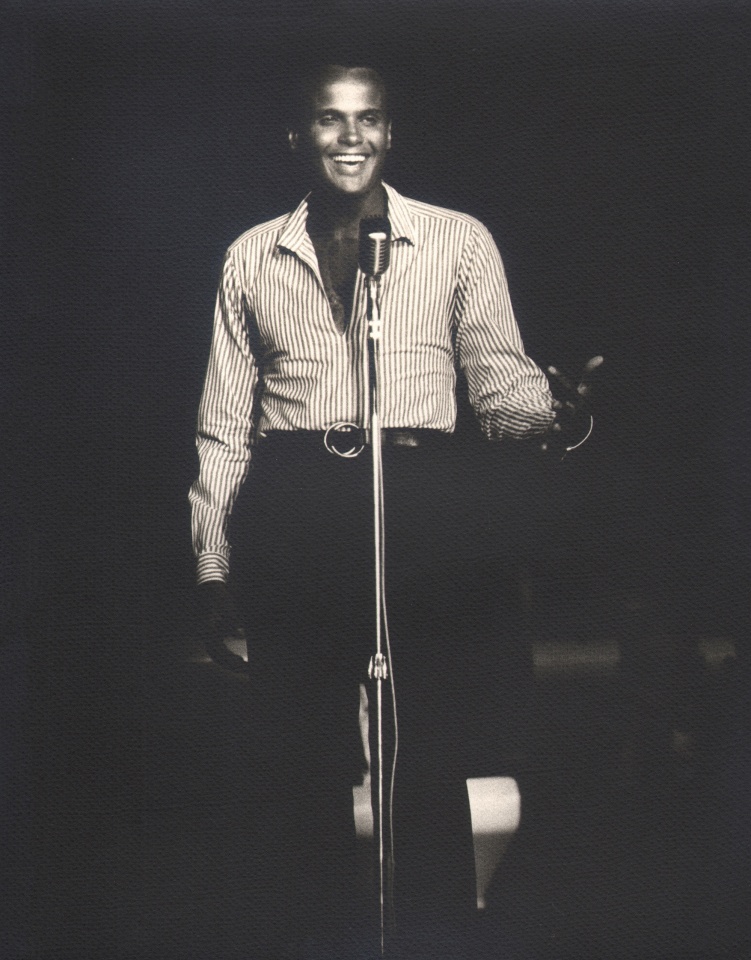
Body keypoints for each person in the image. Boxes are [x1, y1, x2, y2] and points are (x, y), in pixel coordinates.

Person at [189, 63, 600, 958]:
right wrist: (214, 563)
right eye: (330, 122)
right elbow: (223, 428)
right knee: (300, 767)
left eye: (367, 120)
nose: (350, 138)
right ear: (297, 138)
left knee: (429, 756)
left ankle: (435, 940)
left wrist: (554, 412)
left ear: (388, 133)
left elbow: (500, 393)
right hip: (298, 505)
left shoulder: (455, 241)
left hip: (424, 507)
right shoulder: (250, 256)